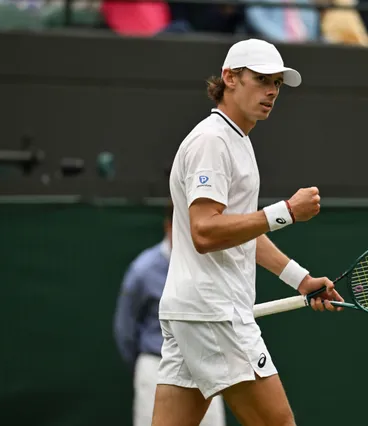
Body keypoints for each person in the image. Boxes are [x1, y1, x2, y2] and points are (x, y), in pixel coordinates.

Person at [152, 38, 345, 426]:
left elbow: (241, 233)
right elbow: (205, 232)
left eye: (276, 83)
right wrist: (286, 212)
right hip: (214, 313)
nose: (272, 91)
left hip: (196, 313)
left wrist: (300, 279)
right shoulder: (212, 140)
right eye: (261, 80)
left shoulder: (237, 141)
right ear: (229, 78)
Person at [113, 206, 226, 426]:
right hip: (157, 366)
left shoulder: (213, 266)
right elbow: (125, 329)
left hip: (206, 367)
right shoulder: (142, 270)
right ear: (168, 226)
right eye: (182, 226)